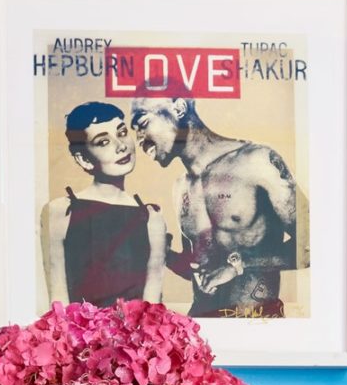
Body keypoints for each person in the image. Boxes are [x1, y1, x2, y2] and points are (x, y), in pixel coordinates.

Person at [129, 96, 301, 317]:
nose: (138, 139)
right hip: (202, 323)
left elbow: (311, 247)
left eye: (143, 123)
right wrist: (163, 252)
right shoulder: (181, 187)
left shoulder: (257, 160)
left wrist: (238, 265)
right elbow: (201, 269)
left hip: (254, 322)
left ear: (179, 108)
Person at [42, 100, 167, 307]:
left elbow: (151, 305)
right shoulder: (61, 211)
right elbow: (58, 299)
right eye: (103, 142)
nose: (121, 146)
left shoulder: (151, 218)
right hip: (79, 327)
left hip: (133, 327)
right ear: (83, 159)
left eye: (122, 133)